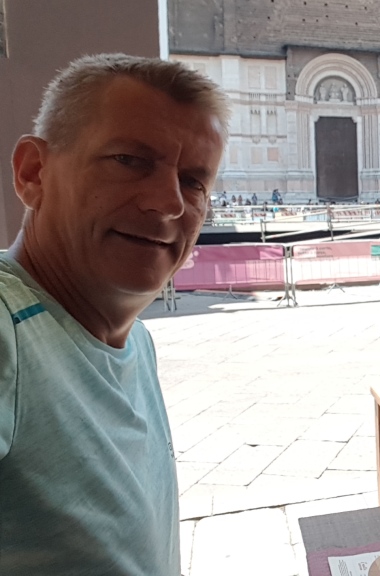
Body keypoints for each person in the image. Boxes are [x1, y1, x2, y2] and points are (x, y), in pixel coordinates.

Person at [1, 54, 229, 574]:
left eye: (193, 181)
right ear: (33, 173)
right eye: (129, 160)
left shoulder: (137, 342)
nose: (169, 203)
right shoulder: (7, 331)